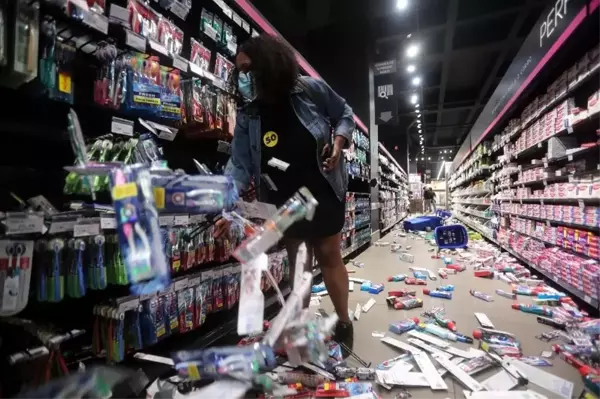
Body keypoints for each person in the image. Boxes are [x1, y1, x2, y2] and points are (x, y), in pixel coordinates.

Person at [215, 34, 355, 352]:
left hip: (322, 187)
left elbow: (344, 113)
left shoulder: (309, 90)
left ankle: (344, 322)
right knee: (298, 264)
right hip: (285, 199)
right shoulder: (249, 114)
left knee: (329, 255)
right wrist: (226, 208)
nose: (244, 78)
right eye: (240, 72)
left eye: (249, 69)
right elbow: (238, 165)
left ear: (269, 64)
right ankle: (300, 328)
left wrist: (338, 143)